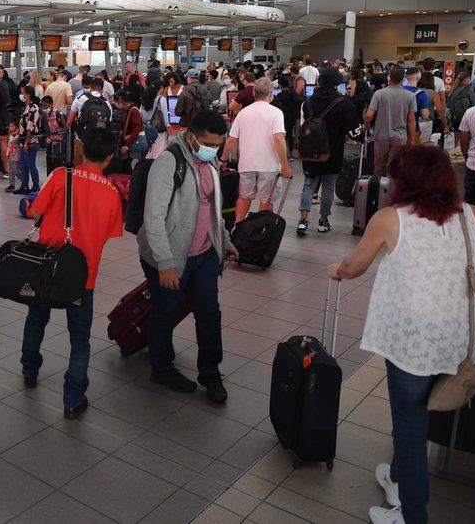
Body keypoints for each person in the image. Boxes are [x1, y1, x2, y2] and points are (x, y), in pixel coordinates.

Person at [327, 144, 475, 524]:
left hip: (413, 344)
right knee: (413, 419)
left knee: (411, 427)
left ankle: (412, 515)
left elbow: (355, 265)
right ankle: (396, 477)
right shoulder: (472, 215)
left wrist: (338, 270)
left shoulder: (391, 218)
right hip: (459, 339)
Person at [19, 127, 123, 418]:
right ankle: (72, 399)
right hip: (81, 276)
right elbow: (106, 235)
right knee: (80, 338)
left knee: (36, 319)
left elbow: (34, 212)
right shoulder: (112, 193)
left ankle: (29, 370)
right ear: (109, 158)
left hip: (47, 267)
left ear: (82, 150)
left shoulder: (60, 177)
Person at [140, 110, 238, 403]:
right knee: (165, 312)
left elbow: (211, 207)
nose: (214, 149)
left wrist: (226, 241)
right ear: (192, 136)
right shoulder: (169, 161)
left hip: (204, 253)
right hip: (169, 255)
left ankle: (210, 372)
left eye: (218, 144)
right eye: (209, 143)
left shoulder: (210, 163)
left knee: (209, 313)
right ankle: (161, 366)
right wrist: (166, 263)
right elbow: (153, 217)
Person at [296, 67, 359, 235]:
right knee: (329, 186)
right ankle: (323, 221)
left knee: (308, 184)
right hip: (333, 151)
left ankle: (303, 220)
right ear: (337, 83)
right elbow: (354, 129)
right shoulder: (343, 102)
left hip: (310, 149)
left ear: (320, 81)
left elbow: (303, 124)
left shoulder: (307, 101)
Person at [220, 77, 292, 222]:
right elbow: (279, 139)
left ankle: (237, 226)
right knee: (266, 200)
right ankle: (259, 231)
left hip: (246, 164)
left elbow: (231, 140)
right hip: (269, 166)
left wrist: (223, 160)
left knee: (244, 196)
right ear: (271, 93)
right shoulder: (275, 112)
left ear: (254, 93)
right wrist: (285, 165)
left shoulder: (243, 113)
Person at [364, 66, 417, 176]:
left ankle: (378, 190)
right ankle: (391, 191)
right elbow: (411, 119)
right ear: (403, 79)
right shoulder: (410, 96)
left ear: (389, 78)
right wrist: (412, 138)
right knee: (394, 168)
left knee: (378, 166)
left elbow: (369, 114)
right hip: (400, 137)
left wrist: (366, 126)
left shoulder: (379, 94)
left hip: (381, 136)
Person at [272, 74, 302, 156]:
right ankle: (291, 153)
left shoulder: (278, 96)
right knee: (290, 134)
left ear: (280, 85)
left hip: (282, 117)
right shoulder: (293, 94)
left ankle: (283, 152)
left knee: (283, 134)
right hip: (292, 116)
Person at [457, 98, 475, 204]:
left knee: (471, 203)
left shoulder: (470, 112)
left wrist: (468, 158)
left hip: (474, 165)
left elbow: (463, 141)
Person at [116, 90, 146, 168]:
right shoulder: (126, 111)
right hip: (133, 142)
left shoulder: (134, 111)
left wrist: (126, 145)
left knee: (134, 167)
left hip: (136, 143)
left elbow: (136, 130)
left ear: (121, 101)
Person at [40, 95, 67, 174]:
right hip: (50, 142)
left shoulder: (58, 114)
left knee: (57, 163)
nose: (44, 108)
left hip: (59, 143)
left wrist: (57, 138)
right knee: (50, 162)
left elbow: (65, 128)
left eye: (45, 105)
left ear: (51, 104)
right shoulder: (45, 115)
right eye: (42, 106)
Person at [403, 67, 431, 143]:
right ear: (418, 78)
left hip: (398, 131)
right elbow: (425, 115)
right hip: (412, 131)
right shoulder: (420, 94)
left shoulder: (399, 90)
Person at [417, 71, 440, 145]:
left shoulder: (415, 91)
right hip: (427, 121)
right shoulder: (433, 93)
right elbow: (439, 109)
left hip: (415, 121)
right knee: (424, 144)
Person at [4, 121, 21, 193]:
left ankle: (24, 181)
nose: (10, 128)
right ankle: (11, 185)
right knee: (11, 171)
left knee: (16, 171)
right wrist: (7, 153)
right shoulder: (10, 136)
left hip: (16, 156)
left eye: (12, 126)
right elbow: (9, 144)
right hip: (10, 156)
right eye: (10, 126)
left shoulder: (18, 137)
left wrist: (17, 132)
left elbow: (14, 141)